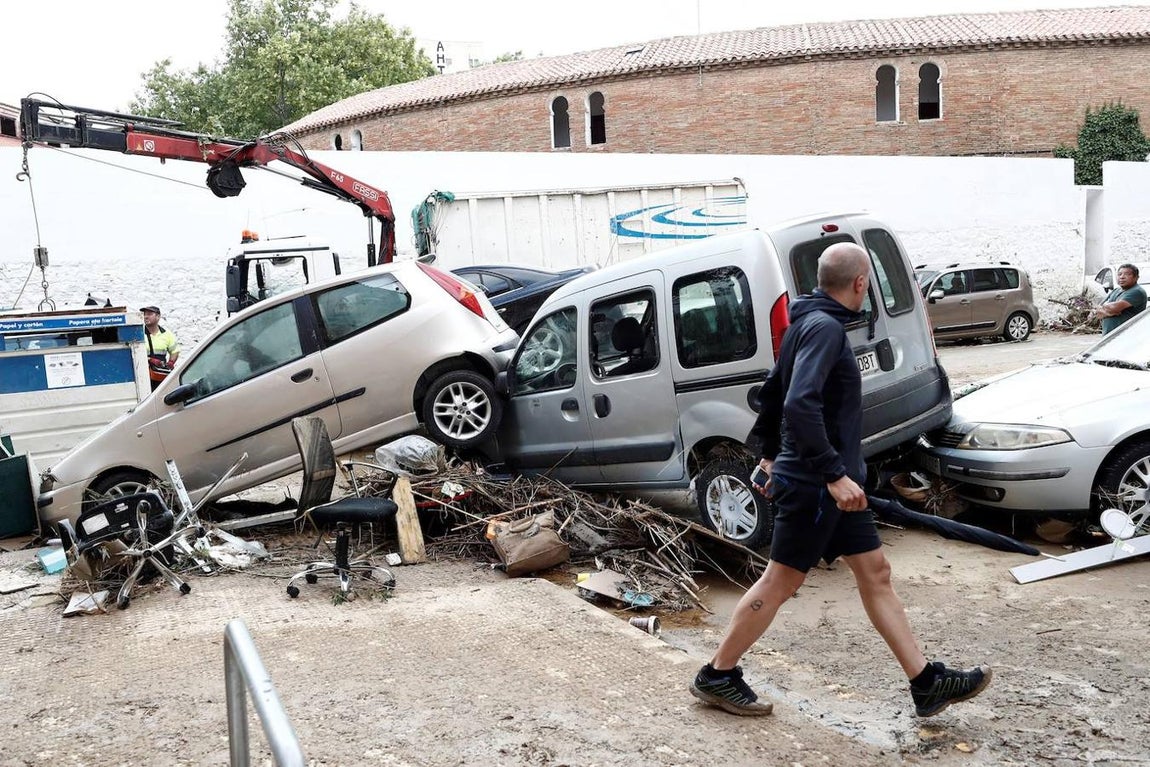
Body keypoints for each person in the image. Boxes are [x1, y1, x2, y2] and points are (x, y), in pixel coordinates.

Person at [689, 242, 991, 718]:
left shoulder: (803, 321)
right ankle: (717, 673)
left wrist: (769, 457)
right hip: (819, 485)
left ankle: (926, 682)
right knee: (780, 582)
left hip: (827, 482)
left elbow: (773, 391)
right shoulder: (825, 329)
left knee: (876, 573)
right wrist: (830, 473)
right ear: (860, 283)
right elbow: (797, 403)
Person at [1092, 263, 1147, 334]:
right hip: (1109, 336)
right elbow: (1094, 311)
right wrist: (1109, 313)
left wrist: (1105, 309)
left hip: (1125, 336)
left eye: (1127, 274)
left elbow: (1114, 308)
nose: (1122, 277)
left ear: (1136, 277)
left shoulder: (1137, 291)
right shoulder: (1116, 290)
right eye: (1119, 274)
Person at [140, 305, 180, 391]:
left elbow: (175, 351)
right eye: (144, 314)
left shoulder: (167, 334)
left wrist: (171, 362)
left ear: (158, 317)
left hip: (160, 375)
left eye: (150, 314)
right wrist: (150, 359)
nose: (146, 316)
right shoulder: (139, 334)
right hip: (143, 377)